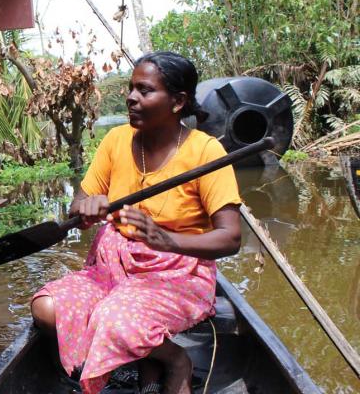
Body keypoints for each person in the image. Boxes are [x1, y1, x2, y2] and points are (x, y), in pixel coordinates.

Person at [31, 52, 242, 394]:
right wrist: (87, 207)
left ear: (178, 102)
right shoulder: (116, 140)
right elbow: (78, 205)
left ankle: (173, 361)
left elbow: (230, 238)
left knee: (115, 320)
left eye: (145, 90)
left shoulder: (206, 152)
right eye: (131, 89)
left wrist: (167, 240)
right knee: (47, 308)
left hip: (175, 272)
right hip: (111, 269)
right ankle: (156, 356)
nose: (131, 97)